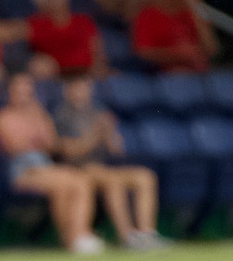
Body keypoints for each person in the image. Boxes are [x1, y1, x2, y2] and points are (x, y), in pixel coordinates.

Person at [0, 74, 102, 254]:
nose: (23, 94)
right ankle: (71, 238)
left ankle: (80, 234)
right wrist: (35, 139)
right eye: (18, 91)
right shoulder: (2, 117)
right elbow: (15, 147)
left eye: (27, 90)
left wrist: (38, 126)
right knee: (63, 184)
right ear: (8, 93)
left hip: (44, 166)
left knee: (81, 181)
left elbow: (51, 144)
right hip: (23, 170)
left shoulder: (38, 113)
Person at [53, 75, 165, 251]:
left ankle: (146, 234)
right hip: (78, 168)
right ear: (67, 91)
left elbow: (116, 150)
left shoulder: (98, 112)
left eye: (85, 87)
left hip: (103, 166)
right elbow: (67, 151)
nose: (82, 92)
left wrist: (111, 134)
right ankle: (127, 236)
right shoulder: (61, 116)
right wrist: (95, 135)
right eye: (77, 88)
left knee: (145, 177)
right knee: (113, 181)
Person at [131, 0, 218, 73]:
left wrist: (194, 4)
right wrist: (179, 54)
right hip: (167, 74)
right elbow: (143, 51)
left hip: (198, 73)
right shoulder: (148, 14)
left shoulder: (193, 14)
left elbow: (211, 47)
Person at [25, 0, 107, 79]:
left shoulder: (83, 21)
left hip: (86, 73)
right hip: (53, 75)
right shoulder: (35, 23)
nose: (51, 2)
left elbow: (96, 47)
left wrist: (99, 65)